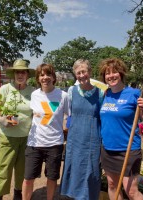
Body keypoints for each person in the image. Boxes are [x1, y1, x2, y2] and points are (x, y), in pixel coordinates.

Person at [99, 58, 143, 200]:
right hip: (108, 148)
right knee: (112, 185)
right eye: (107, 73)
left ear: (121, 73)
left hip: (128, 149)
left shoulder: (134, 94)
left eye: (114, 72)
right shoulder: (106, 94)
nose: (111, 76)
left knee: (131, 191)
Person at [22, 63, 69, 200]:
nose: (45, 78)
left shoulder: (63, 96)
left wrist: (67, 127)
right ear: (38, 78)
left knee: (52, 177)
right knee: (28, 178)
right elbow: (26, 114)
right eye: (42, 75)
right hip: (34, 143)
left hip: (54, 143)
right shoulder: (34, 95)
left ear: (53, 77)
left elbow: (69, 116)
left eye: (48, 74)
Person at [0, 59, 35, 200]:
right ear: (13, 74)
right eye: (17, 72)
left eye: (23, 72)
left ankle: (18, 194)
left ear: (27, 74)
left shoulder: (33, 92)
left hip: (26, 138)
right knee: (4, 168)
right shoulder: (5, 89)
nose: (20, 75)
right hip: (8, 136)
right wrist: (1, 119)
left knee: (22, 169)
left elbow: (36, 112)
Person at [60, 59, 103, 199]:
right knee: (75, 171)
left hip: (92, 140)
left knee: (91, 172)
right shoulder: (71, 91)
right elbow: (66, 112)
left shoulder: (100, 94)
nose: (81, 75)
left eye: (84, 71)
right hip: (75, 139)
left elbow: (104, 117)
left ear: (90, 72)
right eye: (78, 73)